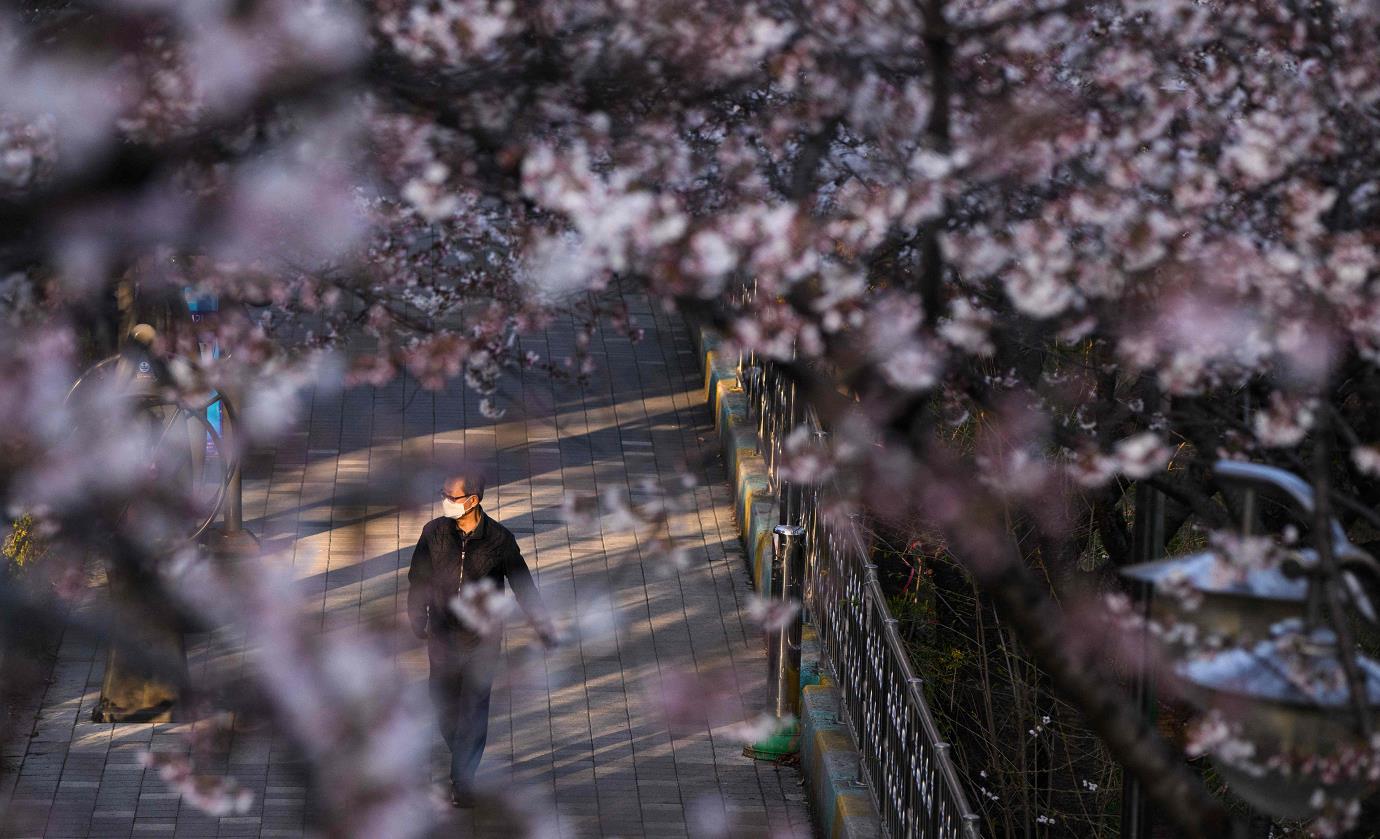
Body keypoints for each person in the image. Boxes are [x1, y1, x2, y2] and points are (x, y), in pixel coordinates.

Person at [407, 470, 558, 807]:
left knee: (474, 709)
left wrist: (543, 626)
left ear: (472, 501)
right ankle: (463, 757)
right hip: (443, 638)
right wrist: (418, 615)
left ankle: (463, 780)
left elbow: (523, 585)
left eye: (451, 496)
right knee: (443, 706)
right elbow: (418, 578)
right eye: (442, 493)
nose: (444, 501)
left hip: (482, 641)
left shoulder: (499, 541)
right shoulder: (433, 533)